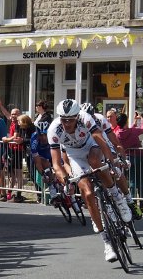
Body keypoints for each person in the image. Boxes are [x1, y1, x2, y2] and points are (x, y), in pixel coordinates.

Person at [48, 99, 132, 263]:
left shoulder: (86, 118)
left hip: (91, 145)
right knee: (87, 192)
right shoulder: (54, 129)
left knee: (95, 162)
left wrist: (112, 162)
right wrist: (67, 181)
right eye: (63, 119)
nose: (67, 123)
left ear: (77, 116)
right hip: (74, 154)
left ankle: (117, 197)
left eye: (70, 119)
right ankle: (106, 241)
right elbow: (57, 164)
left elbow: (100, 139)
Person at [113, 112, 143, 204]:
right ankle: (142, 202)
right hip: (138, 157)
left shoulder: (117, 133)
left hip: (127, 157)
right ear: (126, 122)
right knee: (140, 180)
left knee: (132, 180)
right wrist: (142, 118)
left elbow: (128, 130)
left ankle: (132, 201)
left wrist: (135, 121)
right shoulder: (132, 131)